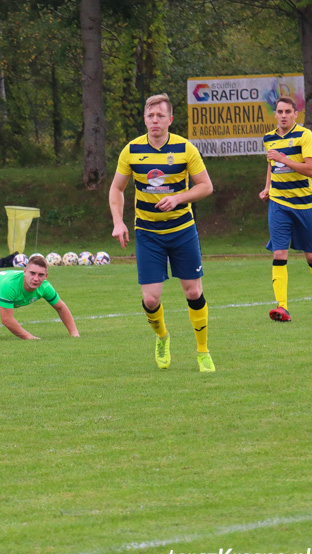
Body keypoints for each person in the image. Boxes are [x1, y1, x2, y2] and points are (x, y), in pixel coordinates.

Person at [109, 93, 215, 373]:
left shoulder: (185, 148)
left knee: (193, 291)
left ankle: (203, 351)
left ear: (170, 119)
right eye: (150, 116)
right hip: (148, 232)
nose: (154, 120)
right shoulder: (131, 150)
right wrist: (118, 222)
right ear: (144, 119)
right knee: (150, 299)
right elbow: (116, 189)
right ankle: (162, 338)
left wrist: (179, 198)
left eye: (160, 116)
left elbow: (205, 186)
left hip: (181, 230)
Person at [259, 96, 312, 322]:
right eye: (280, 111)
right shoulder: (269, 138)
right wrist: (267, 188)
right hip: (279, 203)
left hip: (304, 204)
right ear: (275, 114)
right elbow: (271, 165)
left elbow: (311, 169)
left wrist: (284, 158)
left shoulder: (305, 136)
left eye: (288, 111)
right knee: (279, 252)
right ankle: (281, 307)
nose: (283, 115)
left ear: (296, 114)